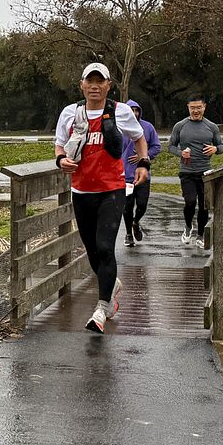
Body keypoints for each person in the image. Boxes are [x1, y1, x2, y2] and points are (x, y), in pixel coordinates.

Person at [54, 63, 148, 333]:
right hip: (81, 191)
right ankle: (111, 284)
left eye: (100, 81)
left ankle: (102, 309)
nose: (94, 86)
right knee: (92, 251)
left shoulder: (121, 111)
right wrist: (61, 160)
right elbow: (59, 145)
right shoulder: (70, 113)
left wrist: (143, 163)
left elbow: (139, 138)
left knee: (105, 247)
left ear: (108, 85)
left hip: (111, 190)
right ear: (82, 85)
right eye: (90, 81)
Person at [167, 96, 223, 248]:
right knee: (190, 202)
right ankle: (188, 226)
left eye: (199, 107)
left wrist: (215, 149)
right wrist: (181, 153)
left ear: (204, 107)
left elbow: (221, 147)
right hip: (187, 171)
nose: (196, 111)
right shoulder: (180, 126)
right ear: (188, 107)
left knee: (204, 205)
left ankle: (201, 235)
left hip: (205, 172)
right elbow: (170, 146)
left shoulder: (212, 127)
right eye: (192, 108)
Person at [120, 99, 160, 248]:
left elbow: (156, 146)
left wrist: (143, 156)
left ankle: (136, 222)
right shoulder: (119, 127)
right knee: (127, 206)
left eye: (137, 110)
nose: (134, 113)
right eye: (131, 110)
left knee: (142, 204)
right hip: (125, 176)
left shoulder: (147, 127)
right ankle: (128, 234)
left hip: (143, 175)